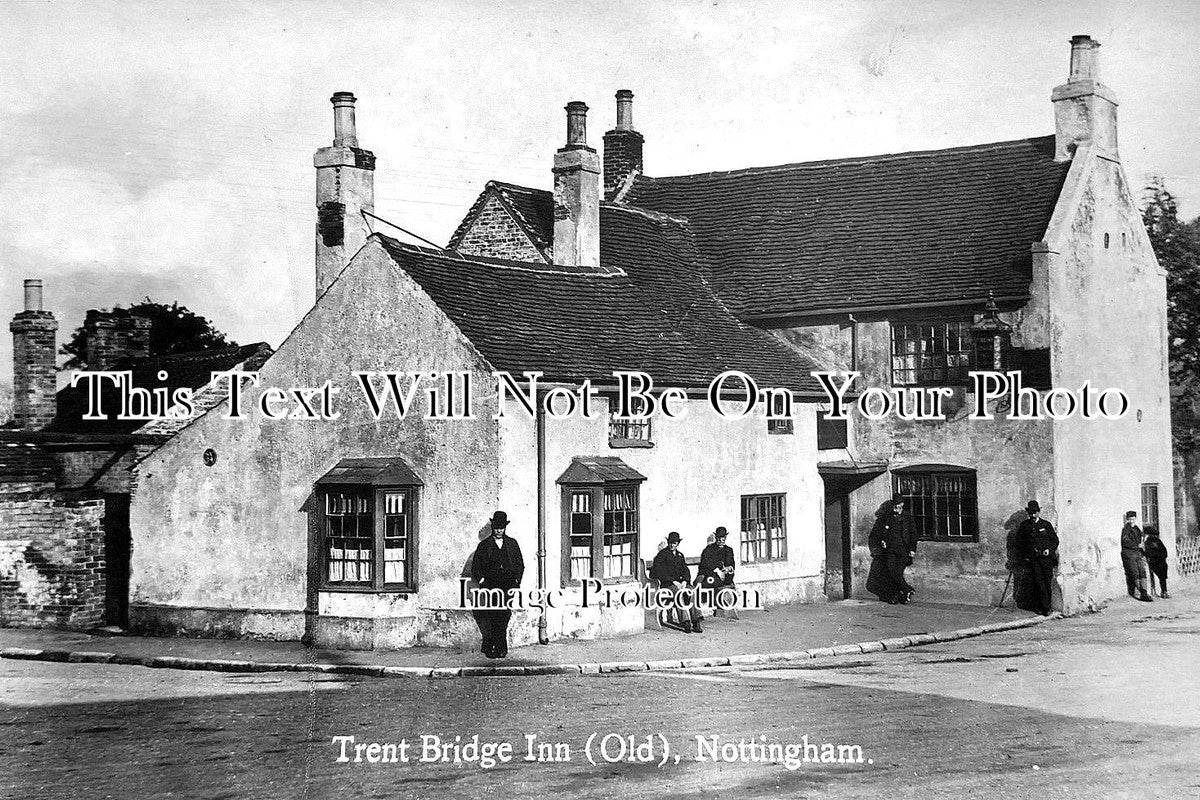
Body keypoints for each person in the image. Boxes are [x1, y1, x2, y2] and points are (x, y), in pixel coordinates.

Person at [470, 510, 525, 658]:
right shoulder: (484, 545)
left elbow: (520, 565)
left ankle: (501, 646)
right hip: (490, 587)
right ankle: (492, 647)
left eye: (501, 527)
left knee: (504, 615)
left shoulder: (512, 544)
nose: (499, 530)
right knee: (492, 615)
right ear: (492, 527)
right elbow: (476, 567)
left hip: (508, 586)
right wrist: (482, 581)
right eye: (496, 527)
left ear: (505, 527)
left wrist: (516, 582)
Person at [867, 494, 917, 604]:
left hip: (904, 551)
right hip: (890, 551)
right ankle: (900, 594)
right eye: (894, 505)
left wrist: (912, 549)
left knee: (897, 572)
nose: (896, 508)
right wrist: (881, 541)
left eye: (898, 505)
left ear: (902, 504)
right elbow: (876, 534)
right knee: (890, 571)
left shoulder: (907, 517)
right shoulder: (886, 517)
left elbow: (913, 534)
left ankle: (905, 590)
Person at [650, 531, 704, 633]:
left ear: (677, 544)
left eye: (674, 543)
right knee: (679, 594)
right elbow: (659, 573)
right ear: (668, 542)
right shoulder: (661, 555)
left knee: (692, 592)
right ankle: (686, 622)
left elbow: (685, 570)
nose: (672, 545)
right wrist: (674, 581)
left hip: (680, 584)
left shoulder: (680, 555)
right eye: (670, 542)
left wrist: (684, 581)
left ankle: (696, 621)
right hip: (667, 585)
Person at [1014, 500, 1059, 615]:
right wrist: (1026, 555)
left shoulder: (1045, 525)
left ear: (1039, 512)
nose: (1032, 515)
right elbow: (1020, 543)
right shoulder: (1024, 526)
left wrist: (1049, 550)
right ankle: (1041, 607)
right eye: (1030, 513)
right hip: (1033, 560)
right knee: (1038, 582)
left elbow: (1055, 540)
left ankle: (1047, 607)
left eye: (1034, 513)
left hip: (1046, 560)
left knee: (1047, 582)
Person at [697, 526, 738, 618]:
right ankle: (704, 602)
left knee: (727, 583)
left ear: (725, 538)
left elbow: (732, 564)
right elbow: (705, 565)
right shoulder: (709, 549)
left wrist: (729, 569)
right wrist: (717, 571)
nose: (721, 540)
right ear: (716, 538)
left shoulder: (729, 550)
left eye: (723, 538)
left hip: (726, 577)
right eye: (719, 538)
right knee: (709, 582)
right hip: (712, 575)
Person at [1120, 511, 1153, 603]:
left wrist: (1144, 539)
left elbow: (1141, 539)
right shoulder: (1126, 529)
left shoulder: (1137, 528)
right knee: (1135, 573)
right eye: (1130, 519)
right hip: (1130, 554)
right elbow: (1126, 542)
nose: (1131, 521)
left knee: (1142, 571)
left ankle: (1145, 592)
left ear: (1135, 519)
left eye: (1133, 519)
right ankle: (1141, 593)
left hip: (1138, 554)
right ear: (1127, 519)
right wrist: (1138, 545)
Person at [1143, 526, 1170, 599]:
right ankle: (1163, 591)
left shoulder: (1154, 541)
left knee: (1162, 576)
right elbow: (1163, 552)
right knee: (1162, 577)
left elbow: (1164, 551)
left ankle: (1163, 591)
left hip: (1158, 561)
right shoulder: (1150, 542)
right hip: (1156, 562)